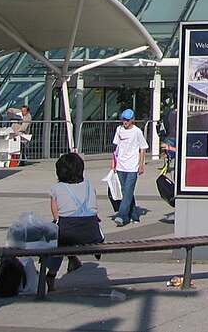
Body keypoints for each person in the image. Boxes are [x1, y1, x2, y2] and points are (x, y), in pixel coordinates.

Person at [43, 152, 103, 292]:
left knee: (57, 235)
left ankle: (51, 275)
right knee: (68, 231)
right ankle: (73, 260)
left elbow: (57, 217)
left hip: (68, 234)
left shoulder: (56, 188)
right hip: (92, 234)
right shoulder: (89, 185)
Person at [111, 109, 147, 226]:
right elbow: (116, 147)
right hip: (121, 165)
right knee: (125, 191)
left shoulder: (137, 132)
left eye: (127, 119)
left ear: (132, 119)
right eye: (123, 119)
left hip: (132, 167)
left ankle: (121, 215)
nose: (125, 122)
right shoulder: (119, 130)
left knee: (128, 191)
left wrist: (141, 164)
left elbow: (143, 148)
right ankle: (134, 215)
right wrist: (113, 163)